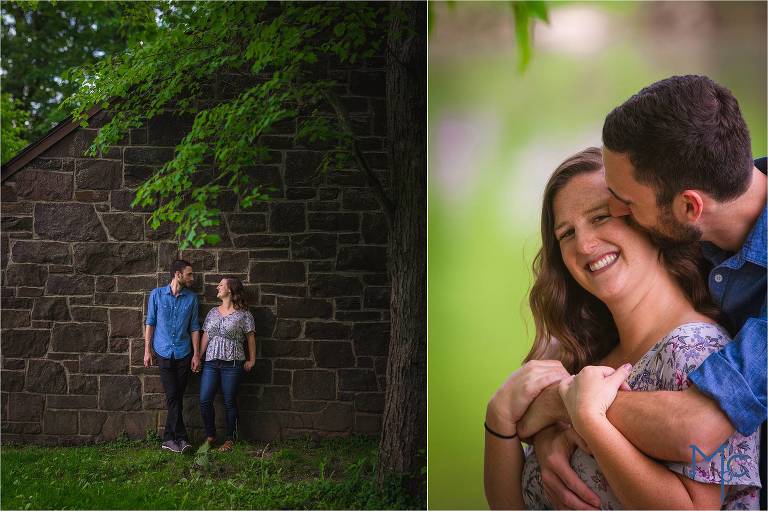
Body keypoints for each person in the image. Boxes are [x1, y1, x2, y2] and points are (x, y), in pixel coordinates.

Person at [513, 75, 767, 509]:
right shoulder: (703, 225)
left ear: (689, 207)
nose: (617, 212)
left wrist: (565, 402)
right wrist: (550, 434)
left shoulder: (692, 329)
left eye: (626, 203)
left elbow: (697, 428)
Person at [144, 259, 202, 453]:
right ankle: (182, 438)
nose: (192, 278)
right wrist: (147, 350)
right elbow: (150, 323)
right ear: (178, 275)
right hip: (163, 352)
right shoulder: (156, 295)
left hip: (184, 353)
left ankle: (168, 439)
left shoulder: (192, 299)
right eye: (189, 274)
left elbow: (194, 327)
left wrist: (196, 355)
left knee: (177, 397)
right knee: (172, 396)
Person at [199, 277, 257, 452]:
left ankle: (230, 439)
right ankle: (210, 435)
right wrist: (198, 356)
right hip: (211, 362)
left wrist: (252, 360)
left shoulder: (244, 314)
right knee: (204, 400)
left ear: (230, 290)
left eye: (221, 285)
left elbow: (250, 338)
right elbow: (206, 335)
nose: (218, 287)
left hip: (232, 364)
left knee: (229, 401)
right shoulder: (212, 312)